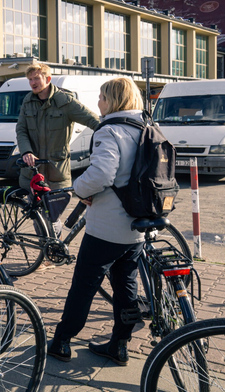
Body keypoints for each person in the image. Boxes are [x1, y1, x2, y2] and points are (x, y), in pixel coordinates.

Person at [47, 77, 146, 366]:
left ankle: (62, 340)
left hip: (107, 227)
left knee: (84, 285)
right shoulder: (146, 127)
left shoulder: (110, 131)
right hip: (136, 226)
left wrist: (80, 189)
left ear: (113, 100)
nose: (98, 103)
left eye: (102, 97)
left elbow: (103, 173)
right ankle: (119, 344)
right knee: (126, 287)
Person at [16, 63, 100, 236]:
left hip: (57, 171)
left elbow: (94, 121)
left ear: (47, 79)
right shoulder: (28, 101)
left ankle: (54, 250)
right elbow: (21, 130)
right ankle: (44, 254)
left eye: (36, 78)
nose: (32, 83)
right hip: (33, 172)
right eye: (30, 79)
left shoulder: (65, 102)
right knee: (37, 215)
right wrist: (26, 151)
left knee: (52, 217)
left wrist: (108, 141)